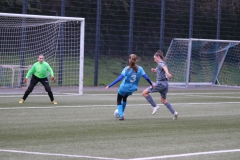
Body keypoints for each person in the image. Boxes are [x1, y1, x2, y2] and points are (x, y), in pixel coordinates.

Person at [105, 54, 154, 120]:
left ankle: (121, 115)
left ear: (129, 60)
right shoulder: (140, 69)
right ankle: (122, 112)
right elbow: (146, 78)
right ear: (136, 60)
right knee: (125, 98)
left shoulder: (126, 69)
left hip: (124, 88)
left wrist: (109, 85)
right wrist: (151, 84)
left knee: (119, 99)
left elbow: (119, 79)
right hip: (132, 89)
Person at [142, 50, 178, 120]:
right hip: (166, 84)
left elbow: (164, 67)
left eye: (155, 58)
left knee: (144, 93)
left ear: (158, 57)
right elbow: (161, 69)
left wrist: (167, 73)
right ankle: (174, 113)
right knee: (163, 100)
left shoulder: (161, 63)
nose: (154, 60)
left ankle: (155, 106)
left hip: (160, 83)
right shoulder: (162, 63)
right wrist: (154, 70)